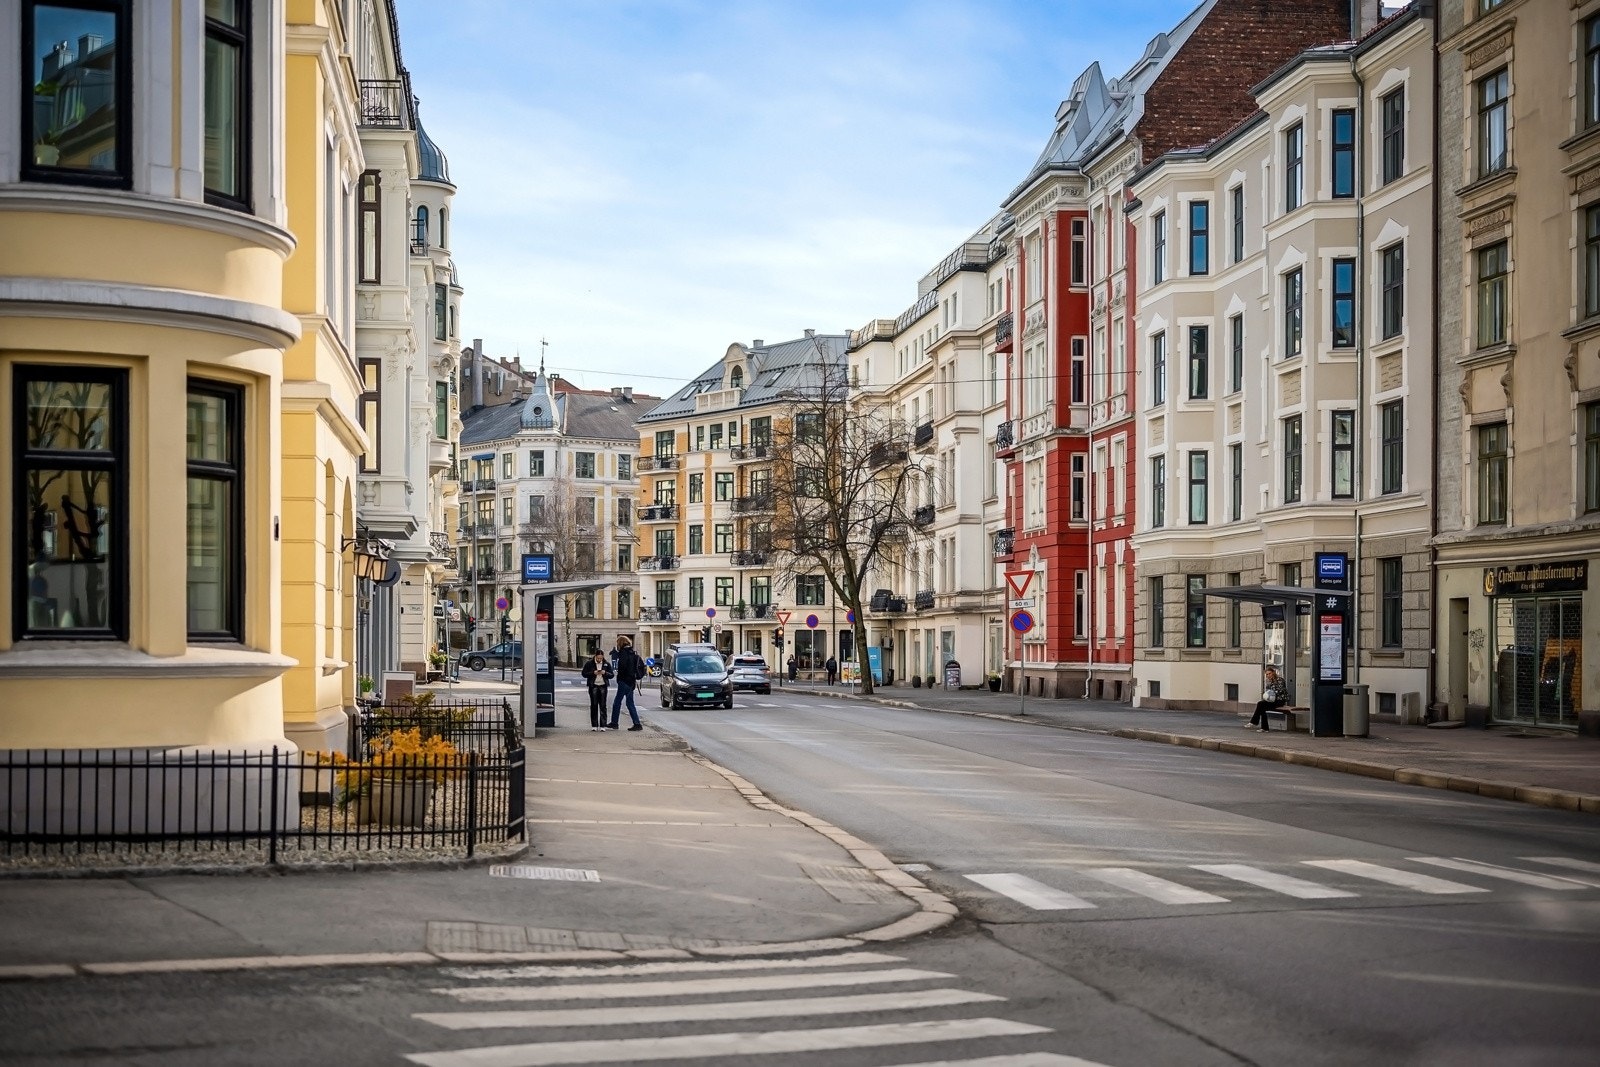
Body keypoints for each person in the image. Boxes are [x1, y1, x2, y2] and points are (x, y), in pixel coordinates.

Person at [609, 635, 645, 731]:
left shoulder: (623, 653)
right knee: (630, 703)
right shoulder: (632, 652)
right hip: (631, 681)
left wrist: (619, 678)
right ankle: (637, 723)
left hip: (624, 680)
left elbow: (622, 667)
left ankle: (614, 722)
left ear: (620, 643)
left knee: (617, 702)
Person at [581, 651, 613, 732]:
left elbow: (612, 675)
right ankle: (594, 725)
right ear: (595, 656)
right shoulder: (589, 663)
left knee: (603, 706)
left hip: (603, 685)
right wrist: (593, 673)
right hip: (593, 685)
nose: (599, 660)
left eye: (601, 658)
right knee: (594, 705)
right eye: (598, 658)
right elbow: (584, 673)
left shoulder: (606, 664)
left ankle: (603, 725)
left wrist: (605, 673)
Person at [1249, 666, 1289, 731]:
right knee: (1261, 706)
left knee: (1260, 704)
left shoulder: (1280, 680)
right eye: (1267, 674)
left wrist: (1272, 693)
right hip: (1272, 700)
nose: (1268, 675)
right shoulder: (1269, 682)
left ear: (1273, 673)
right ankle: (1263, 727)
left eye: (1269, 673)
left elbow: (1281, 690)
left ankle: (1255, 722)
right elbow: (1268, 691)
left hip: (1279, 700)